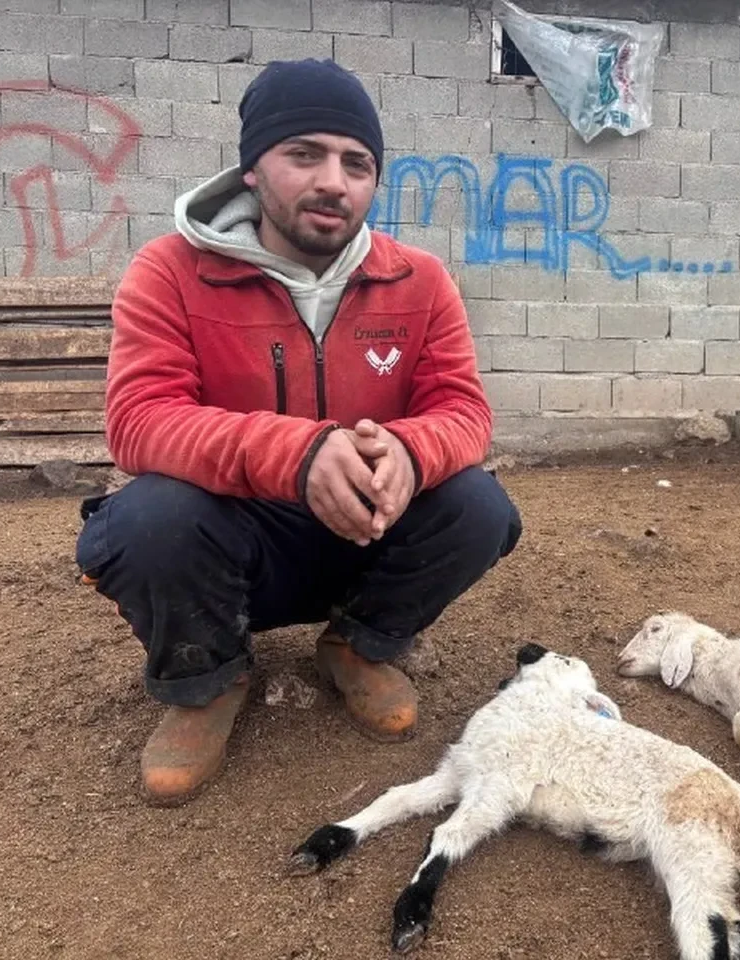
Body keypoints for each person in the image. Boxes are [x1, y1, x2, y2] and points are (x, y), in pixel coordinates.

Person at [74, 58, 522, 807]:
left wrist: (413, 451)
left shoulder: (420, 280)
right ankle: (206, 681)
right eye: (304, 154)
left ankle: (358, 644)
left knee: (478, 507)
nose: (333, 182)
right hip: (238, 542)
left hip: (363, 532)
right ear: (254, 169)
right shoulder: (171, 271)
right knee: (147, 519)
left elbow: (464, 410)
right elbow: (139, 418)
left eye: (357, 163)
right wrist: (295, 451)